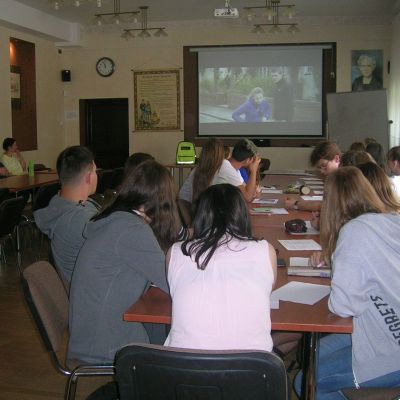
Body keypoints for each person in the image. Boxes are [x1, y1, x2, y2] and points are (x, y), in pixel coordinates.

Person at [296, 167, 400, 399]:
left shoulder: (353, 233)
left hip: (391, 349)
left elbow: (344, 306)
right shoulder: (390, 220)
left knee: (306, 381)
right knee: (313, 353)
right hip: (381, 329)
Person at [68, 160, 181, 364]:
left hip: (93, 329)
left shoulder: (118, 219)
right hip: (104, 340)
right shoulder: (131, 230)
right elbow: (172, 281)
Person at [165, 183, 277, 351]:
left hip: (185, 368)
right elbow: (267, 288)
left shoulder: (176, 252)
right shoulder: (265, 250)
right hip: (252, 370)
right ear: (243, 214)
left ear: (200, 215)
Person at [34, 146, 99, 287]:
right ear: (89, 177)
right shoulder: (79, 220)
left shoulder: (60, 205)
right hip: (93, 295)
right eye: (95, 171)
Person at [285, 140, 341, 212]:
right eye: (319, 167)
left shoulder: (345, 178)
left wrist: (296, 204)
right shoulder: (333, 177)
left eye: (324, 165)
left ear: (336, 159)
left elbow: (327, 206)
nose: (321, 171)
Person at [179, 138, 225, 205]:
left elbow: (181, 199)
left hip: (198, 213)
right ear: (221, 154)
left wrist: (188, 215)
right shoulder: (224, 168)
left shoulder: (195, 171)